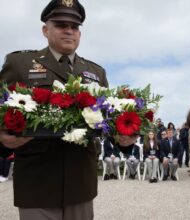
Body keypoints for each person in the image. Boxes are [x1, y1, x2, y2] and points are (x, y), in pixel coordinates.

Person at [0, 1, 136, 219]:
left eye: (74, 26)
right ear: (45, 30)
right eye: (61, 24)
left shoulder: (95, 72)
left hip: (80, 182)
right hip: (37, 181)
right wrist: (2, 140)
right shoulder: (20, 63)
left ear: (79, 34)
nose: (69, 30)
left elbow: (107, 119)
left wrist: (124, 140)